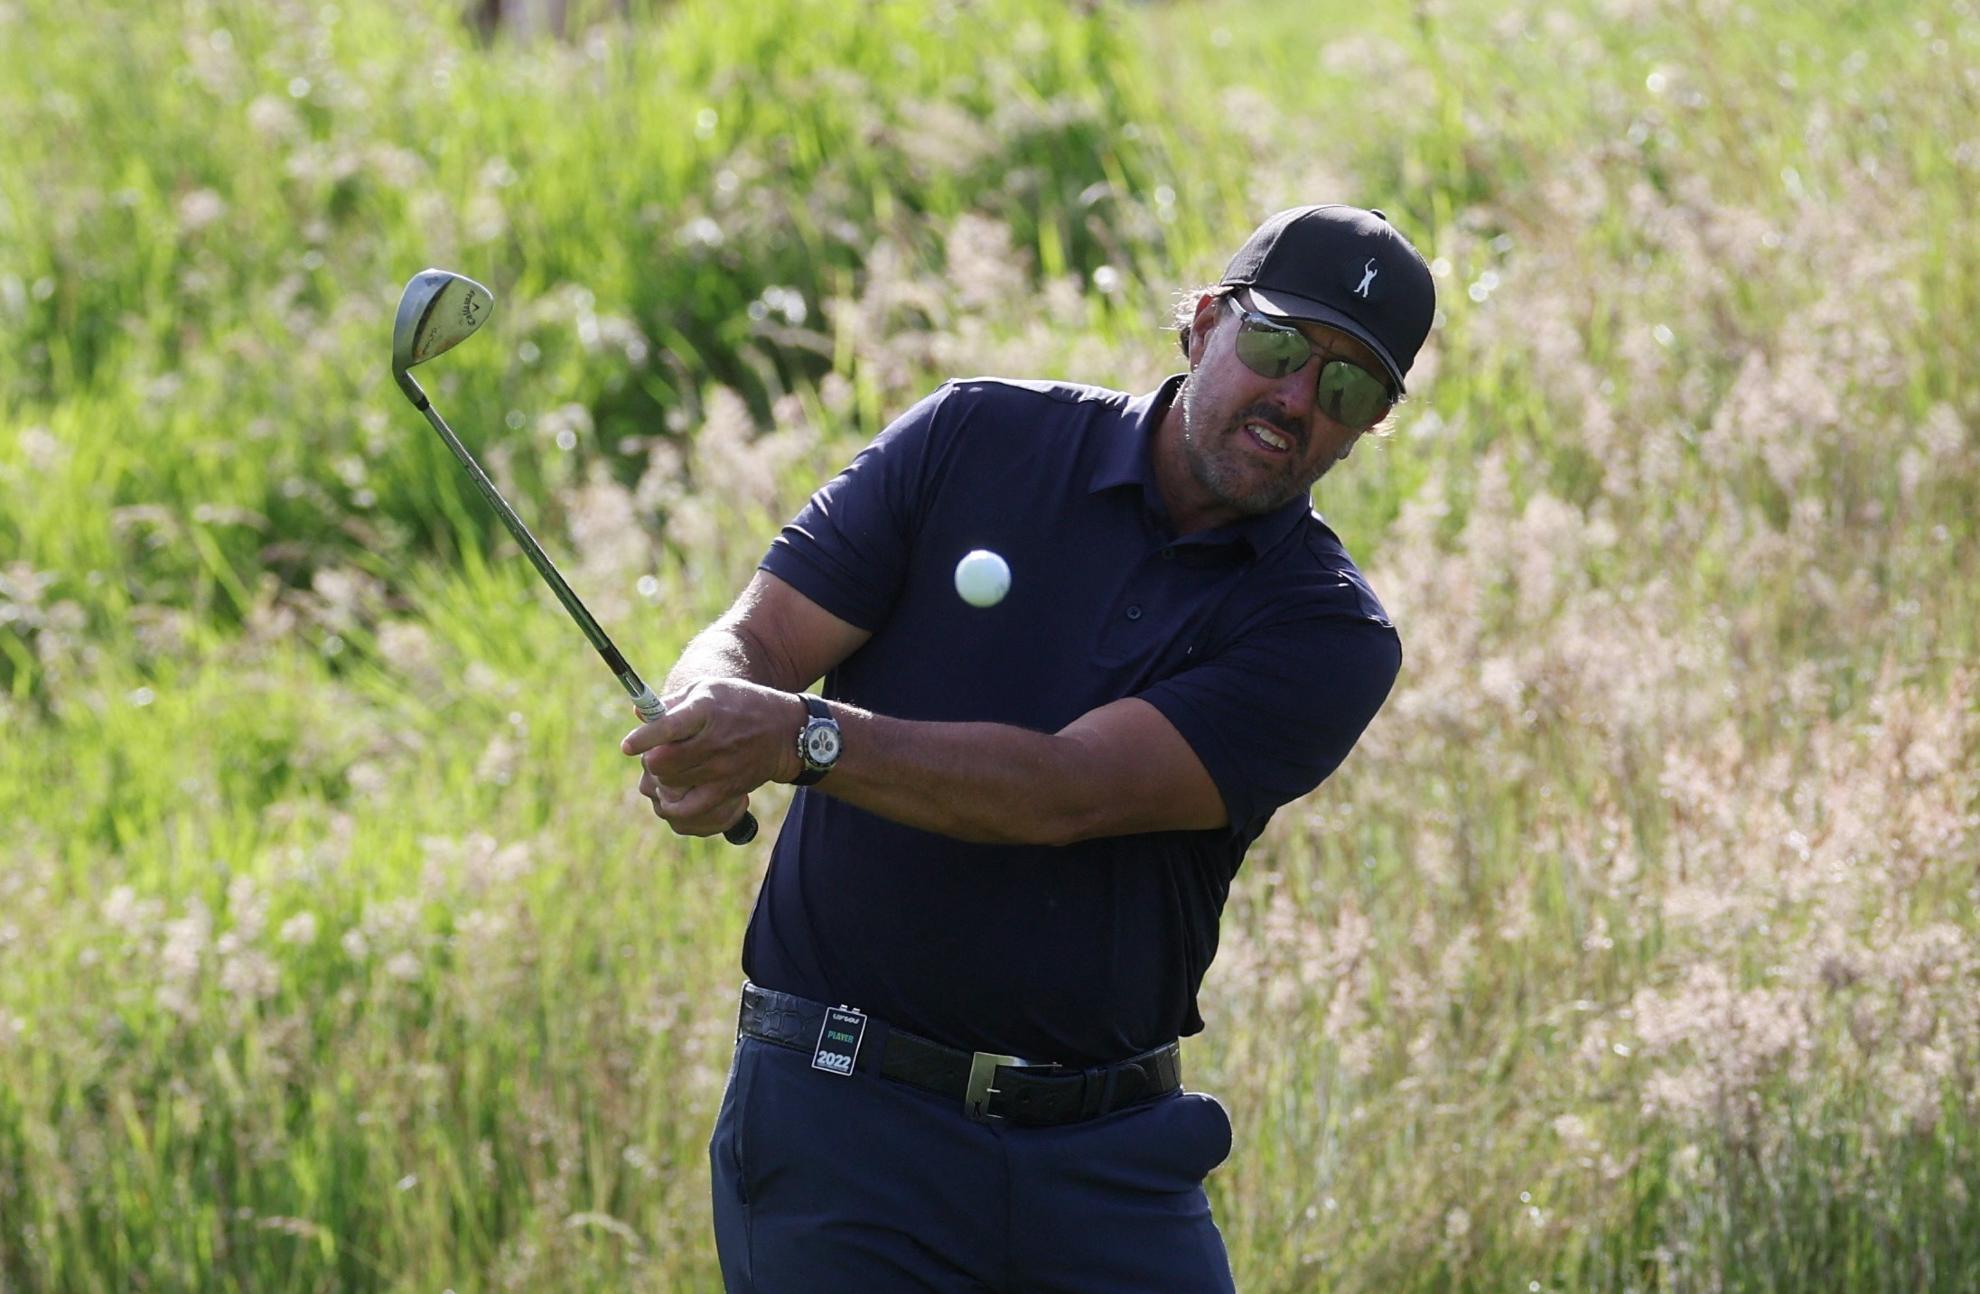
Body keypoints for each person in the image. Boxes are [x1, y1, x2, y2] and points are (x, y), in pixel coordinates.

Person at [622, 204, 1435, 1293]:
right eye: (1280, 347)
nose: (1296, 402)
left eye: (1347, 388)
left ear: (1369, 425)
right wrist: (705, 710)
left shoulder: (1328, 632)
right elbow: (760, 638)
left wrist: (797, 736)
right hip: (843, 1125)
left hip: (1110, 1165)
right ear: (1204, 323)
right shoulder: (976, 437)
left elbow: (1070, 791)